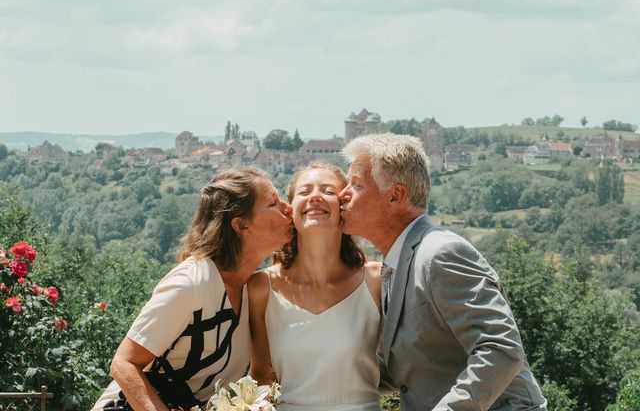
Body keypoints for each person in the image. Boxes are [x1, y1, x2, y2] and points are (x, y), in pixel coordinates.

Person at [339, 134, 547, 411]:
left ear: (395, 195)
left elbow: (501, 350)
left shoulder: (441, 253)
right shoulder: (397, 263)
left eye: (356, 185)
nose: (342, 195)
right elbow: (411, 373)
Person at [92, 168, 293, 411]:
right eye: (273, 202)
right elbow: (123, 363)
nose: (288, 208)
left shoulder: (252, 290)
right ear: (241, 225)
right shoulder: (191, 283)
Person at [249, 162, 382, 411]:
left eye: (329, 191)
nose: (315, 196)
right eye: (305, 191)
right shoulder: (260, 288)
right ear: (290, 210)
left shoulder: (375, 281)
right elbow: (261, 379)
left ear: (345, 208)